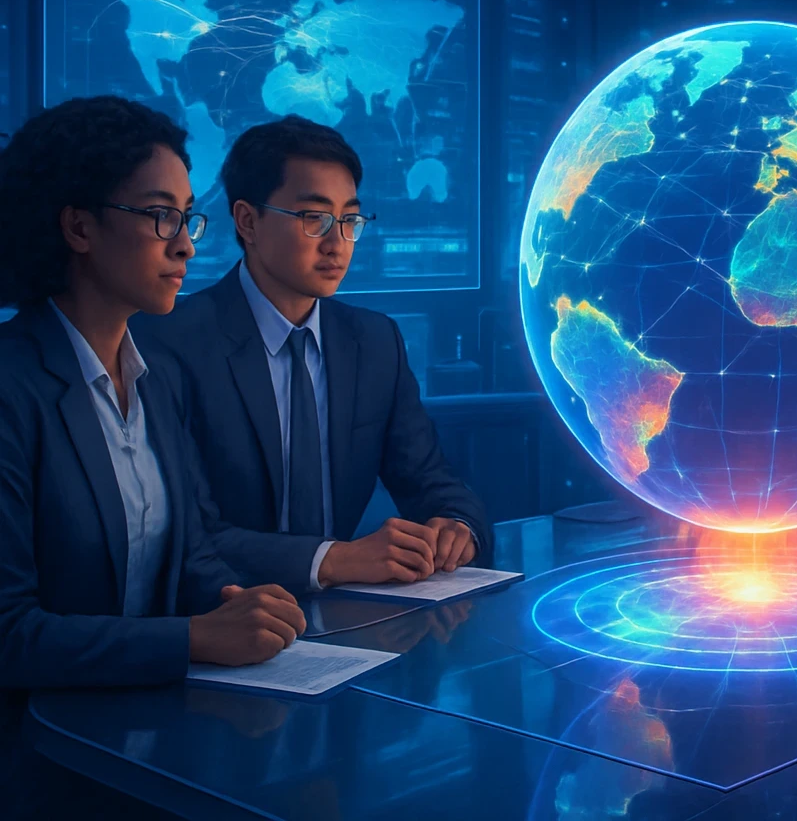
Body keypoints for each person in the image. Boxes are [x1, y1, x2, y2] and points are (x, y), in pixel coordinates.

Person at [0, 97, 306, 813]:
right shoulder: (11, 389)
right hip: (38, 764)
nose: (186, 245)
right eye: (159, 216)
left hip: (147, 743)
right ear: (79, 225)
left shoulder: (156, 375)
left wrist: (237, 603)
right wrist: (194, 638)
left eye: (186, 218)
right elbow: (8, 633)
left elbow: (190, 549)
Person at [133, 115, 491, 595]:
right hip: (222, 617)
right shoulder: (170, 342)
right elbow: (186, 533)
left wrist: (456, 524)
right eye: (314, 218)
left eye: (349, 220)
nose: (337, 243)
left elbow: (429, 477)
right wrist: (334, 559)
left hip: (350, 619)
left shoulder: (374, 341)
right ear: (247, 220)